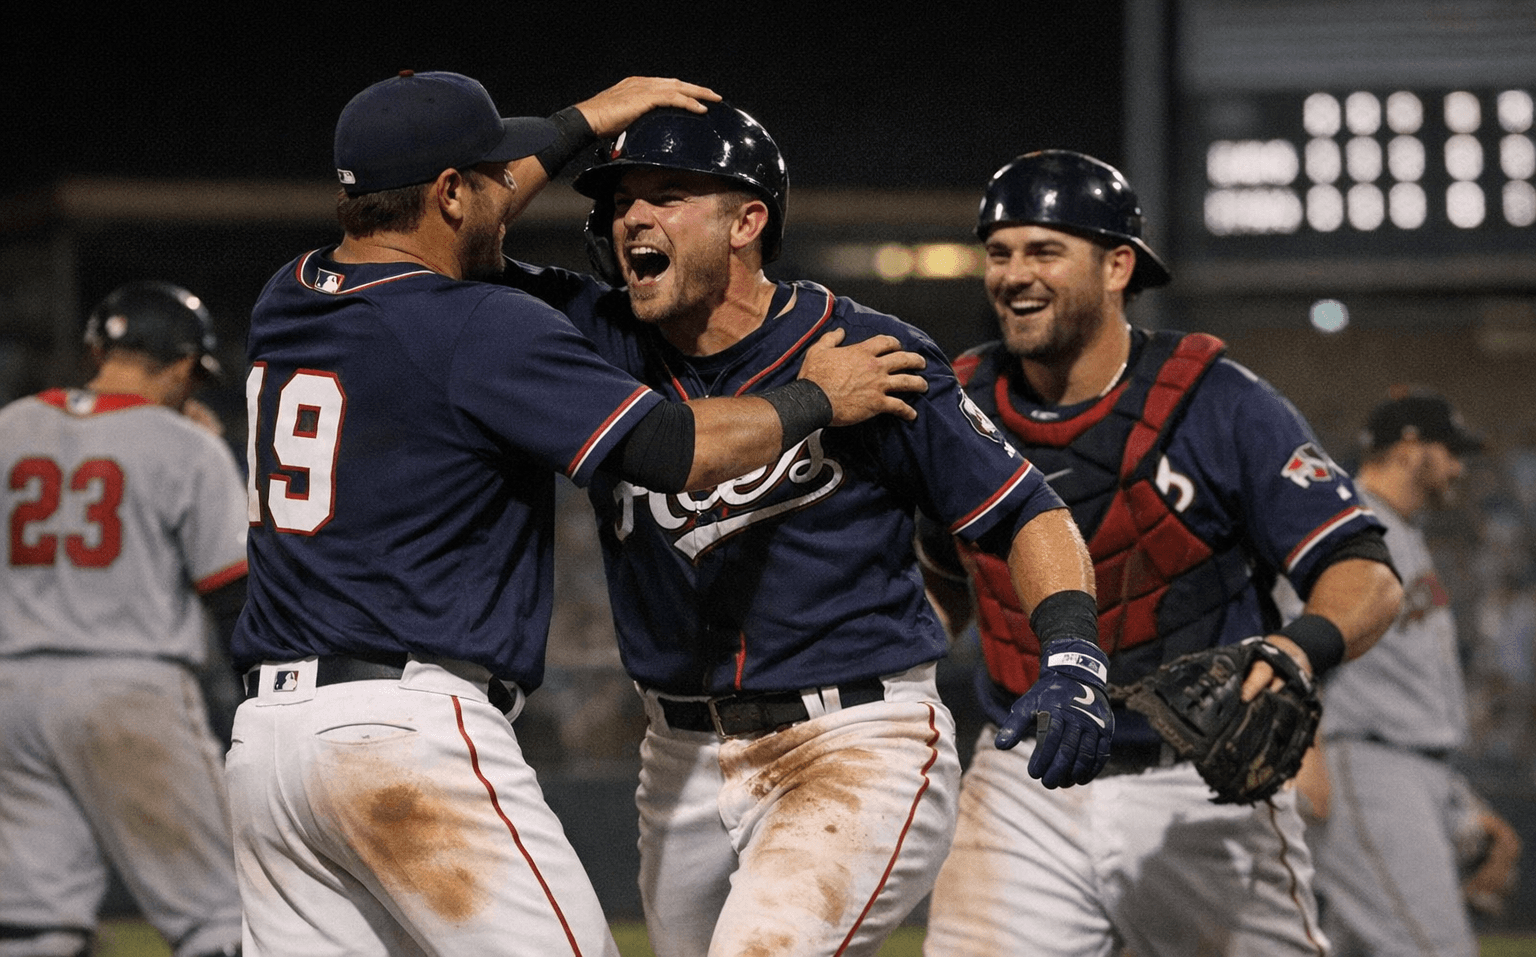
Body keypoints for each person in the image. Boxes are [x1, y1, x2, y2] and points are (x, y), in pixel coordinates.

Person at [227, 70, 930, 957]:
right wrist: (816, 398)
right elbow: (672, 447)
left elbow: (441, 215)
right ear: (450, 193)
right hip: (401, 734)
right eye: (494, 174)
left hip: (267, 751)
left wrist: (582, 121)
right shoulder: (477, 323)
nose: (514, 189)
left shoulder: (288, 294)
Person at [501, 102, 1107, 957]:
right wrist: (580, 122)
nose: (631, 217)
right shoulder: (596, 337)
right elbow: (446, 236)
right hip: (677, 754)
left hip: (854, 741)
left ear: (747, 221)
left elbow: (1026, 510)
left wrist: (1073, 651)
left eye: (667, 195)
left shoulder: (868, 349)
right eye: (620, 200)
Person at [917, 150, 1406, 957]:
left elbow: (1365, 572)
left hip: (1198, 780)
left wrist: (1297, 650)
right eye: (999, 253)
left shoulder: (1218, 401)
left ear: (1118, 266)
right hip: (1023, 776)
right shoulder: (957, 406)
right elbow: (941, 574)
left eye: (1044, 251)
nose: (1014, 274)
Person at [0, 282, 247, 957]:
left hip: (11, 694)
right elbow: (232, 593)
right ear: (183, 366)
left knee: (31, 924)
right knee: (220, 915)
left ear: (95, 351)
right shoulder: (187, 445)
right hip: (128, 689)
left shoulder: (10, 426)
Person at [1299, 388, 1521, 956]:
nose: (1458, 468)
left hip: (1413, 768)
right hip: (1367, 764)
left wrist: (1460, 803)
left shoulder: (1402, 532)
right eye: (1450, 452)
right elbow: (1295, 631)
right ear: (1409, 449)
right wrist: (1307, 750)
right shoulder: (1347, 521)